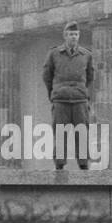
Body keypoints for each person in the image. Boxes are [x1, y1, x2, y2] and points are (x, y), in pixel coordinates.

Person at [41, 21, 94, 170]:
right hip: (61, 99)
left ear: (79, 36)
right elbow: (47, 75)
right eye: (71, 34)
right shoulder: (54, 54)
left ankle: (83, 164)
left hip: (79, 99)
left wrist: (81, 90)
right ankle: (60, 164)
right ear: (65, 36)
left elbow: (90, 76)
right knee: (60, 133)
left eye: (76, 34)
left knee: (82, 132)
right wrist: (54, 92)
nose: (73, 37)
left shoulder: (86, 55)